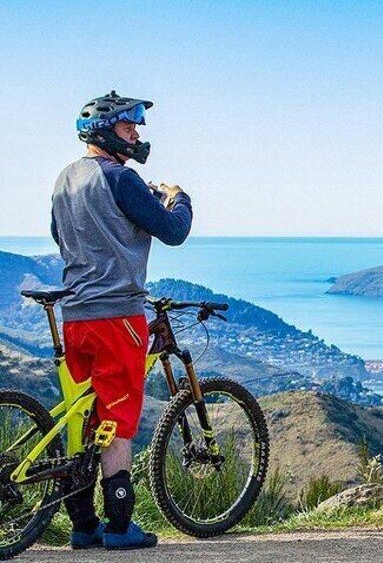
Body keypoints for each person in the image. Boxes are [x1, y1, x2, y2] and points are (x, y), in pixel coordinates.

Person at [51, 91, 193, 549]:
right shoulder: (121, 178)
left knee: (83, 417)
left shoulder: (65, 179)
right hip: (117, 315)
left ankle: (83, 524)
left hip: (75, 314)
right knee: (117, 417)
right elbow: (173, 231)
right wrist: (178, 197)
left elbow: (60, 233)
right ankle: (119, 526)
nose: (136, 133)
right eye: (128, 126)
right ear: (105, 131)